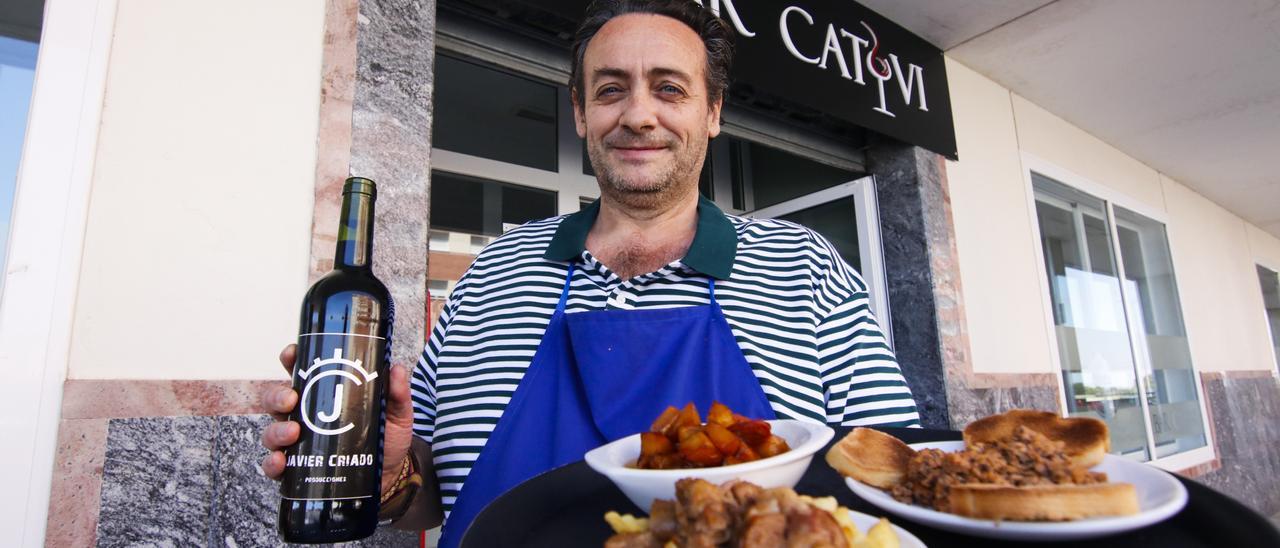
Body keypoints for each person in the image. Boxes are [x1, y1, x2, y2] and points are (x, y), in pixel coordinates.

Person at [260, 0, 921, 544]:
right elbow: (427, 497)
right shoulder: (493, 273)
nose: (638, 114)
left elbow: (895, 476)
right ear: (580, 113)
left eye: (669, 88)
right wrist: (390, 474)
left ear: (713, 112)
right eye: (611, 90)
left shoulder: (803, 266)